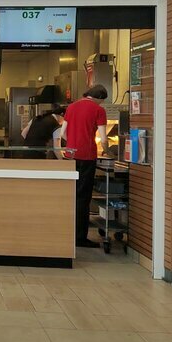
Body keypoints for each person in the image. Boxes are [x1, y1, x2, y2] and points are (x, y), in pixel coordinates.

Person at [60, 85, 109, 248]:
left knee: (71, 195)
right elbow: (103, 138)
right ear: (99, 98)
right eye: (102, 101)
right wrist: (108, 151)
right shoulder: (98, 110)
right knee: (83, 197)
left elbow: (63, 133)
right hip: (87, 157)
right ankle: (80, 237)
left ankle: (68, 233)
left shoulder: (72, 107)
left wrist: (73, 144)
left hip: (70, 155)